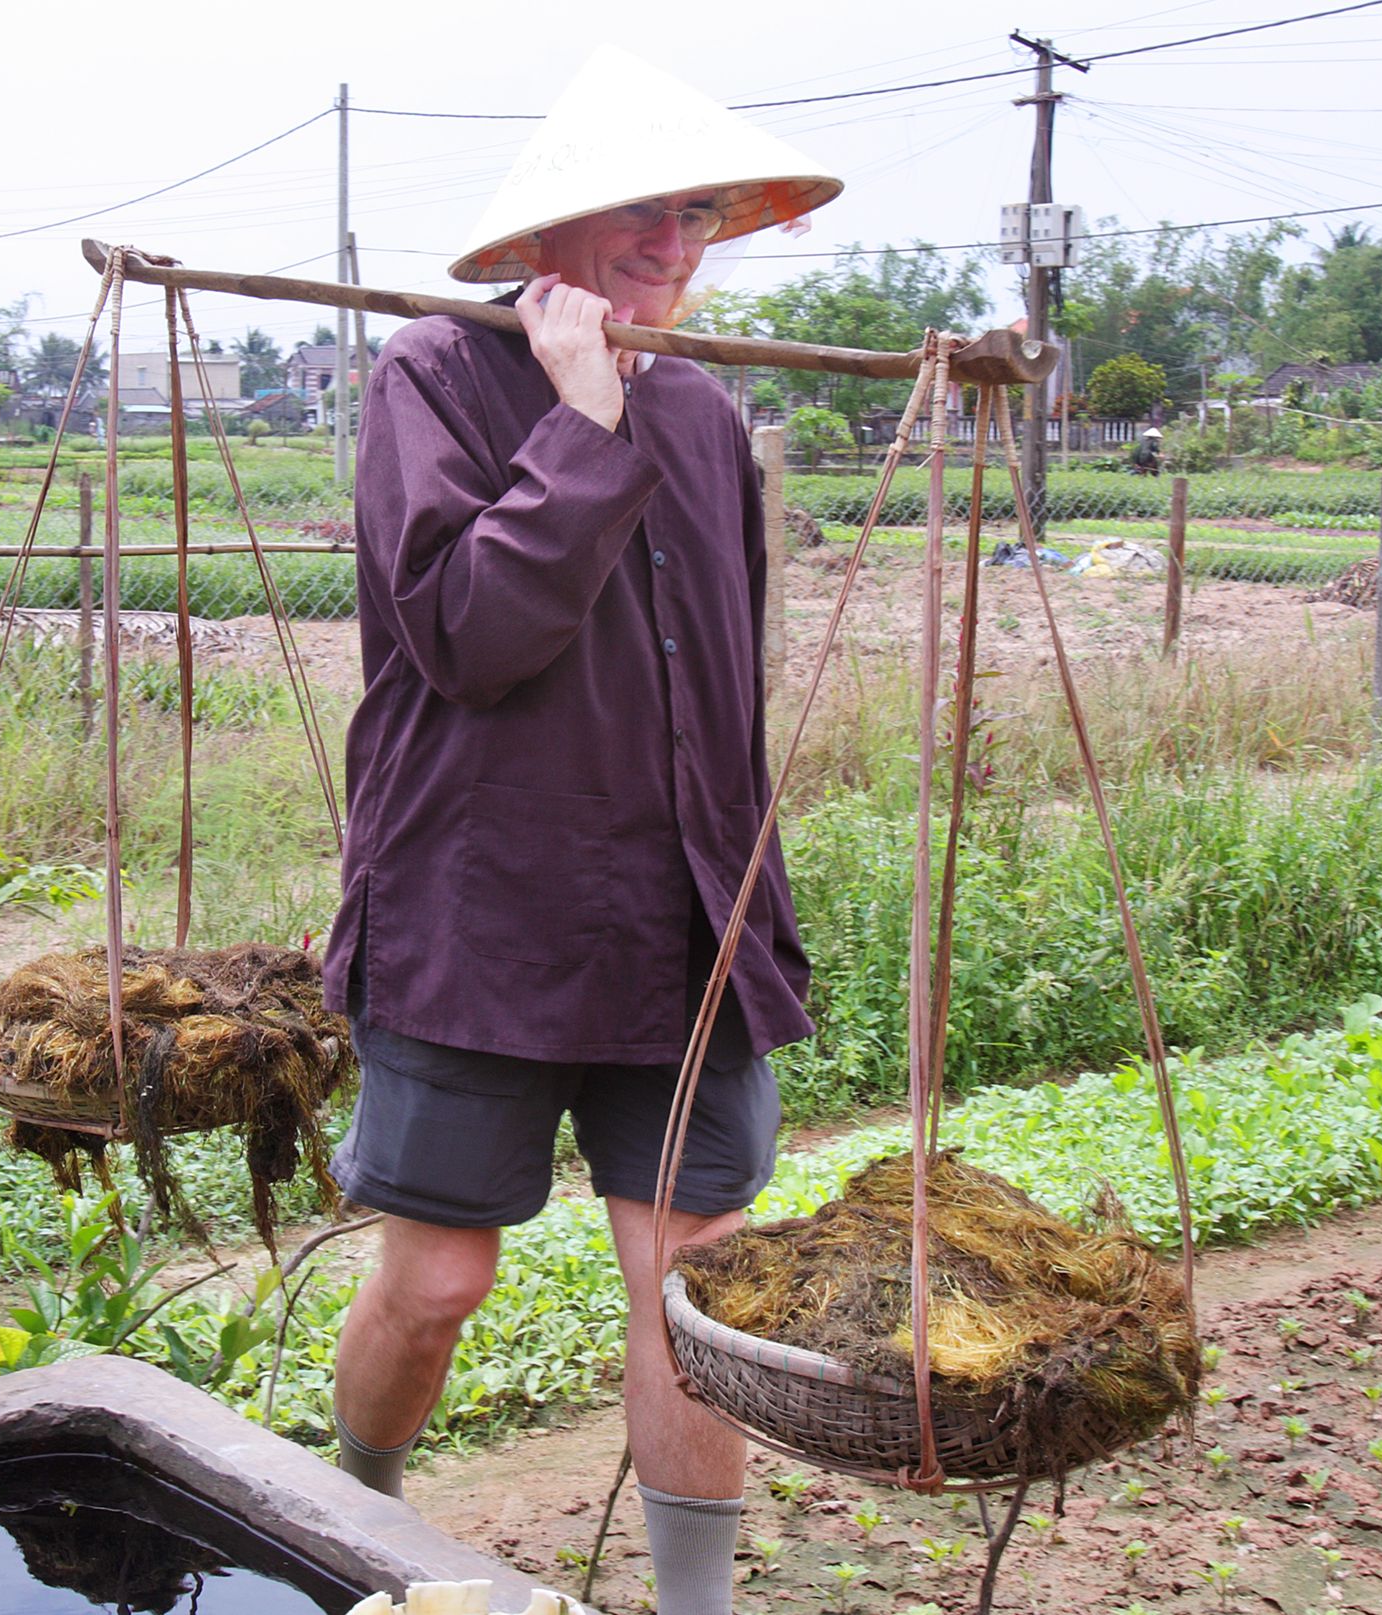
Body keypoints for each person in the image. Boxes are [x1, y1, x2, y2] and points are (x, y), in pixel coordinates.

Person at [318, 46, 836, 1615]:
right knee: (437, 1277)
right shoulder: (436, 374)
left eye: (693, 217)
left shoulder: (707, 414)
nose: (673, 248)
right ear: (550, 230)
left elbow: (722, 686)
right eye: (638, 214)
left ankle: (696, 1605)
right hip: (482, 908)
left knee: (694, 1289)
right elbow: (469, 636)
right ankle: (350, 1518)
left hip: (679, 913)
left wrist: (748, 888)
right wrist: (582, 415)